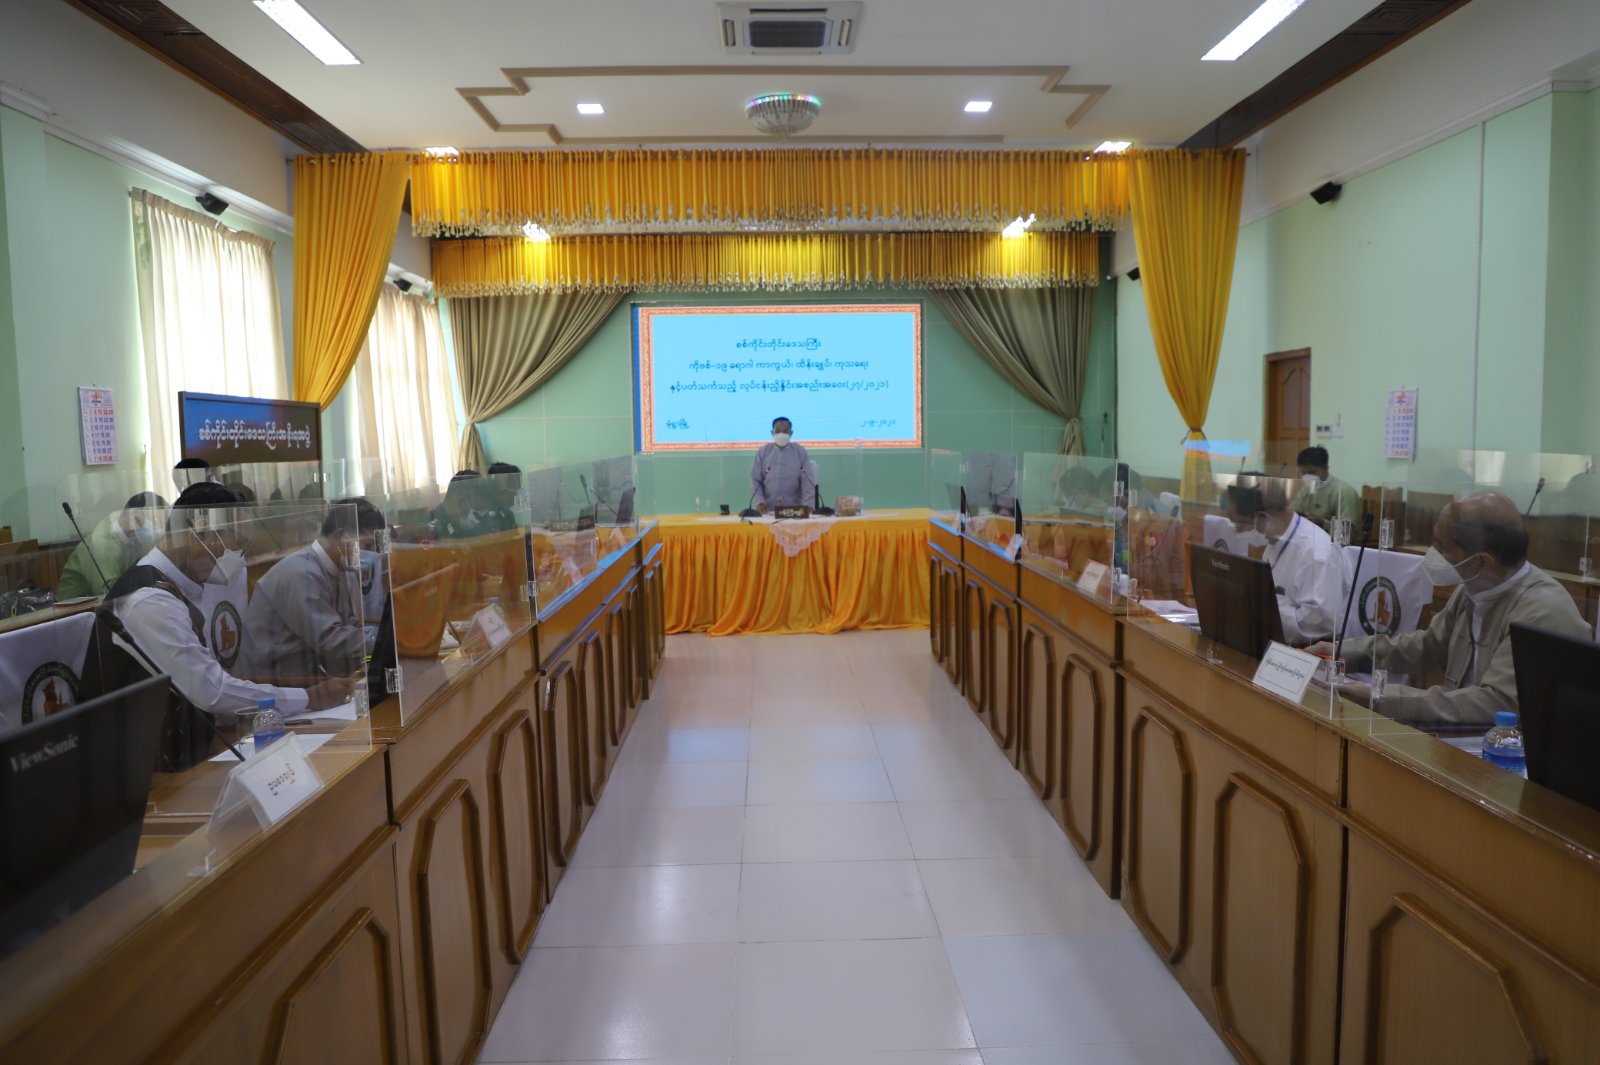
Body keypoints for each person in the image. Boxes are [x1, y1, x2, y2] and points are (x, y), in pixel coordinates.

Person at [1311, 491, 1592, 725]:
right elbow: (1428, 646)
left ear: (1481, 561)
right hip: (1460, 738)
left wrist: (1381, 697)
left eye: (1441, 547)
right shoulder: (1475, 588)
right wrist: (1341, 652)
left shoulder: (1543, 611)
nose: (1433, 555)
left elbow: (1495, 703)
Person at [79, 482, 350, 721]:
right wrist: (309, 698)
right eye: (238, 544)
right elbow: (212, 691)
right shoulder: (149, 601)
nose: (240, 558)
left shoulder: (178, 586)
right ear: (200, 531)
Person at [238, 497, 386, 685]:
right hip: (274, 684)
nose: (372, 555)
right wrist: (385, 639)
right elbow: (331, 641)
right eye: (367, 546)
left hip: (311, 676)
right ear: (341, 535)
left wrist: (383, 637)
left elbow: (348, 625)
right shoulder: (301, 573)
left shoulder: (338, 569)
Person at [1231, 480, 1347, 644]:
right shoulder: (1276, 541)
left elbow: (1317, 625)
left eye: (1250, 526)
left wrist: (1261, 607)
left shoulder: (1317, 553)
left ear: (1264, 517)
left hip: (1312, 649)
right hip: (1278, 640)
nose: (1250, 532)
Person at [56, 491, 168, 599]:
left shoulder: (140, 540)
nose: (155, 528)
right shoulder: (101, 543)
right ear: (133, 515)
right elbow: (109, 592)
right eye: (153, 520)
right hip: (74, 610)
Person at [749, 416, 814, 513]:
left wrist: (808, 505)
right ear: (772, 433)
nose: (781, 434)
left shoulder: (800, 452)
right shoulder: (763, 452)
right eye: (778, 431)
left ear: (791, 433)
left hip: (795, 510)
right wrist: (760, 502)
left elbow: (807, 482)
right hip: (768, 510)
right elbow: (755, 479)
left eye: (785, 431)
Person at [1291, 446, 1361, 530]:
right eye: (1303, 473)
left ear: (1325, 468)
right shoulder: (1306, 490)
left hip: (1329, 538)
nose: (1307, 477)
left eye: (1311, 472)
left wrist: (1323, 523)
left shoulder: (1344, 492)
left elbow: (1348, 532)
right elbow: (1293, 513)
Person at [434, 469, 487, 538]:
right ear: (461, 501)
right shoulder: (436, 531)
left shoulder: (454, 523)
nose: (478, 520)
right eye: (476, 512)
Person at [482, 461, 523, 532]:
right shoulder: (489, 518)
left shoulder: (508, 513)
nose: (516, 492)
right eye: (512, 485)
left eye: (518, 485)